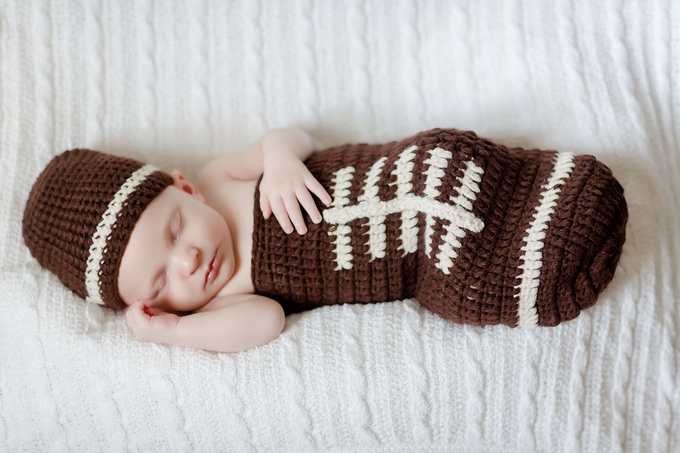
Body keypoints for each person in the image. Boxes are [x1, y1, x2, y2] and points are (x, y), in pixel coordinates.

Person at [22, 127, 628, 353]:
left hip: (393, 169)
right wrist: (177, 332)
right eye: (162, 282)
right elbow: (264, 325)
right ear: (152, 304)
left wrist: (282, 159)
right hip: (407, 250)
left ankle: (536, 186)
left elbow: (288, 134)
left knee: (439, 159)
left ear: (183, 187)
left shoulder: (217, 176)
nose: (189, 260)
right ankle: (537, 250)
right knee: (454, 275)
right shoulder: (225, 298)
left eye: (175, 229)